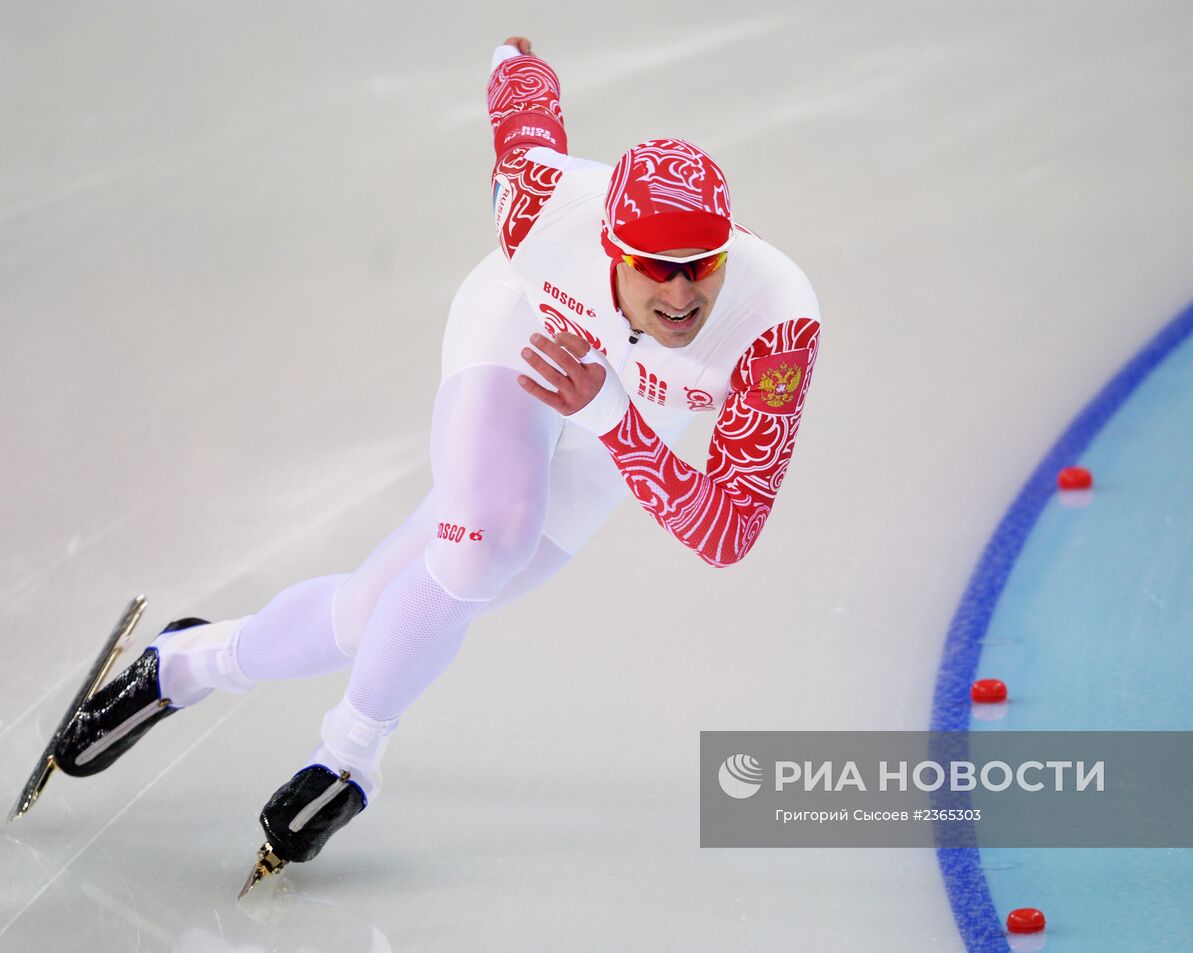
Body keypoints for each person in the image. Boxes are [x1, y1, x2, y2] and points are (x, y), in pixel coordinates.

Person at [47, 36, 822, 893]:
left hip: (621, 419)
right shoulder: (545, 212)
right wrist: (513, 58)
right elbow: (524, 123)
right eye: (655, 269)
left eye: (700, 267)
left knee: (367, 617)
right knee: (488, 540)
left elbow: (727, 530)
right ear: (610, 247)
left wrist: (610, 412)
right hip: (528, 338)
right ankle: (349, 759)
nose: (680, 295)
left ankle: (182, 663)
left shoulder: (776, 325)